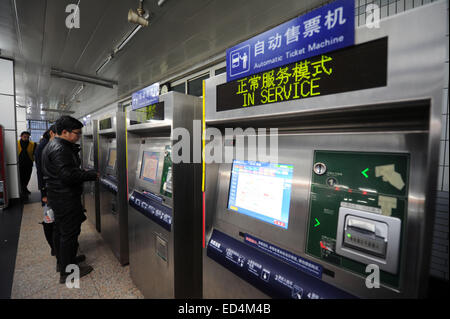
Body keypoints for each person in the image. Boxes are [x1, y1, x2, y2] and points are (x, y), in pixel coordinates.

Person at [42, 116, 98, 284]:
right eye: (77, 133)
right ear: (64, 132)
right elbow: (68, 175)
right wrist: (92, 175)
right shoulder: (60, 148)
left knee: (60, 230)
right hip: (65, 198)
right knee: (69, 234)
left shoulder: (53, 144)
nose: (79, 136)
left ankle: (64, 261)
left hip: (57, 196)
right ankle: (68, 272)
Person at [35, 125, 57, 256]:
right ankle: (55, 249)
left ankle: (55, 249)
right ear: (51, 133)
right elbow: (43, 171)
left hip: (47, 188)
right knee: (50, 219)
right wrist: (44, 192)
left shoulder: (44, 144)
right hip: (48, 189)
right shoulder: (45, 146)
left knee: (50, 218)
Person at [17, 131, 36, 197]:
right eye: (24, 137)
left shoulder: (33, 144)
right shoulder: (17, 143)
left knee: (27, 177)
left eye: (28, 137)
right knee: (21, 178)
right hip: (19, 164)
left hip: (29, 164)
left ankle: (24, 188)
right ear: (21, 136)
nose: (26, 138)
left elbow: (35, 153)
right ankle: (22, 189)